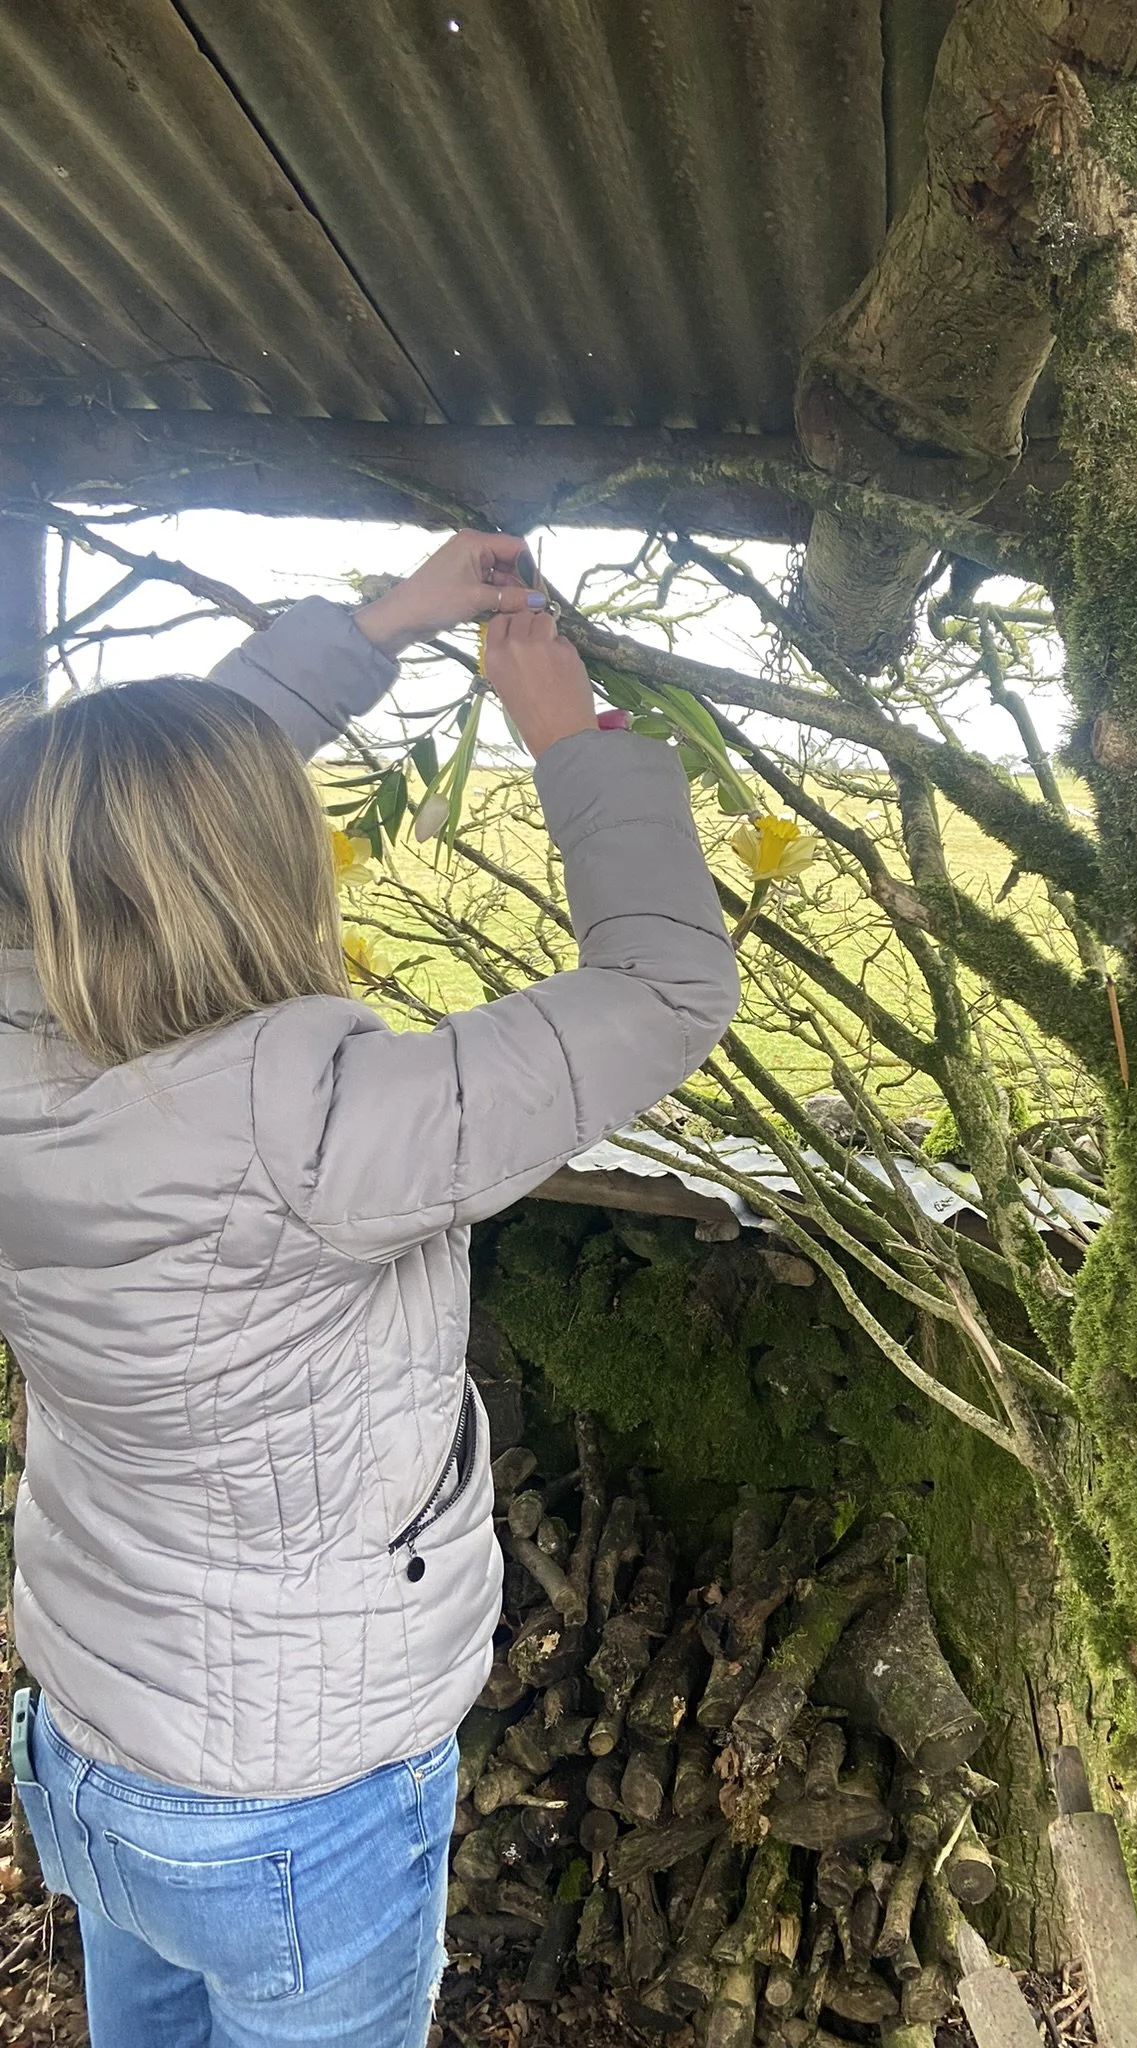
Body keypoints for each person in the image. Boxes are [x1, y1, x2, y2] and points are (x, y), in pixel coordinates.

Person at [0, 530, 739, 2048]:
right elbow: (667, 988)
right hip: (295, 1795)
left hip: (89, 1730)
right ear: (264, 871)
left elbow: (135, 803)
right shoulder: (324, 1129)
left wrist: (386, 622)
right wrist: (576, 741)